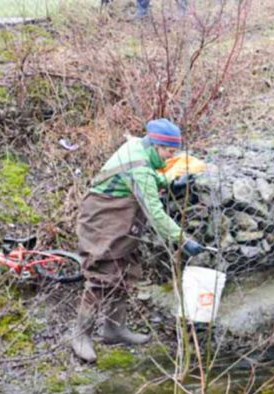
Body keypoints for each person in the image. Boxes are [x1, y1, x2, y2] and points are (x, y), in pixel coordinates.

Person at [71, 118, 205, 362]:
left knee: (123, 270)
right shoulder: (139, 165)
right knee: (103, 276)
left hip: (119, 220)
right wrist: (183, 240)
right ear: (155, 144)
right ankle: (80, 335)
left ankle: (114, 329)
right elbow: (154, 212)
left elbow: (149, 178)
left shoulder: (140, 151)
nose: (168, 157)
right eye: (168, 151)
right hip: (102, 220)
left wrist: (170, 182)